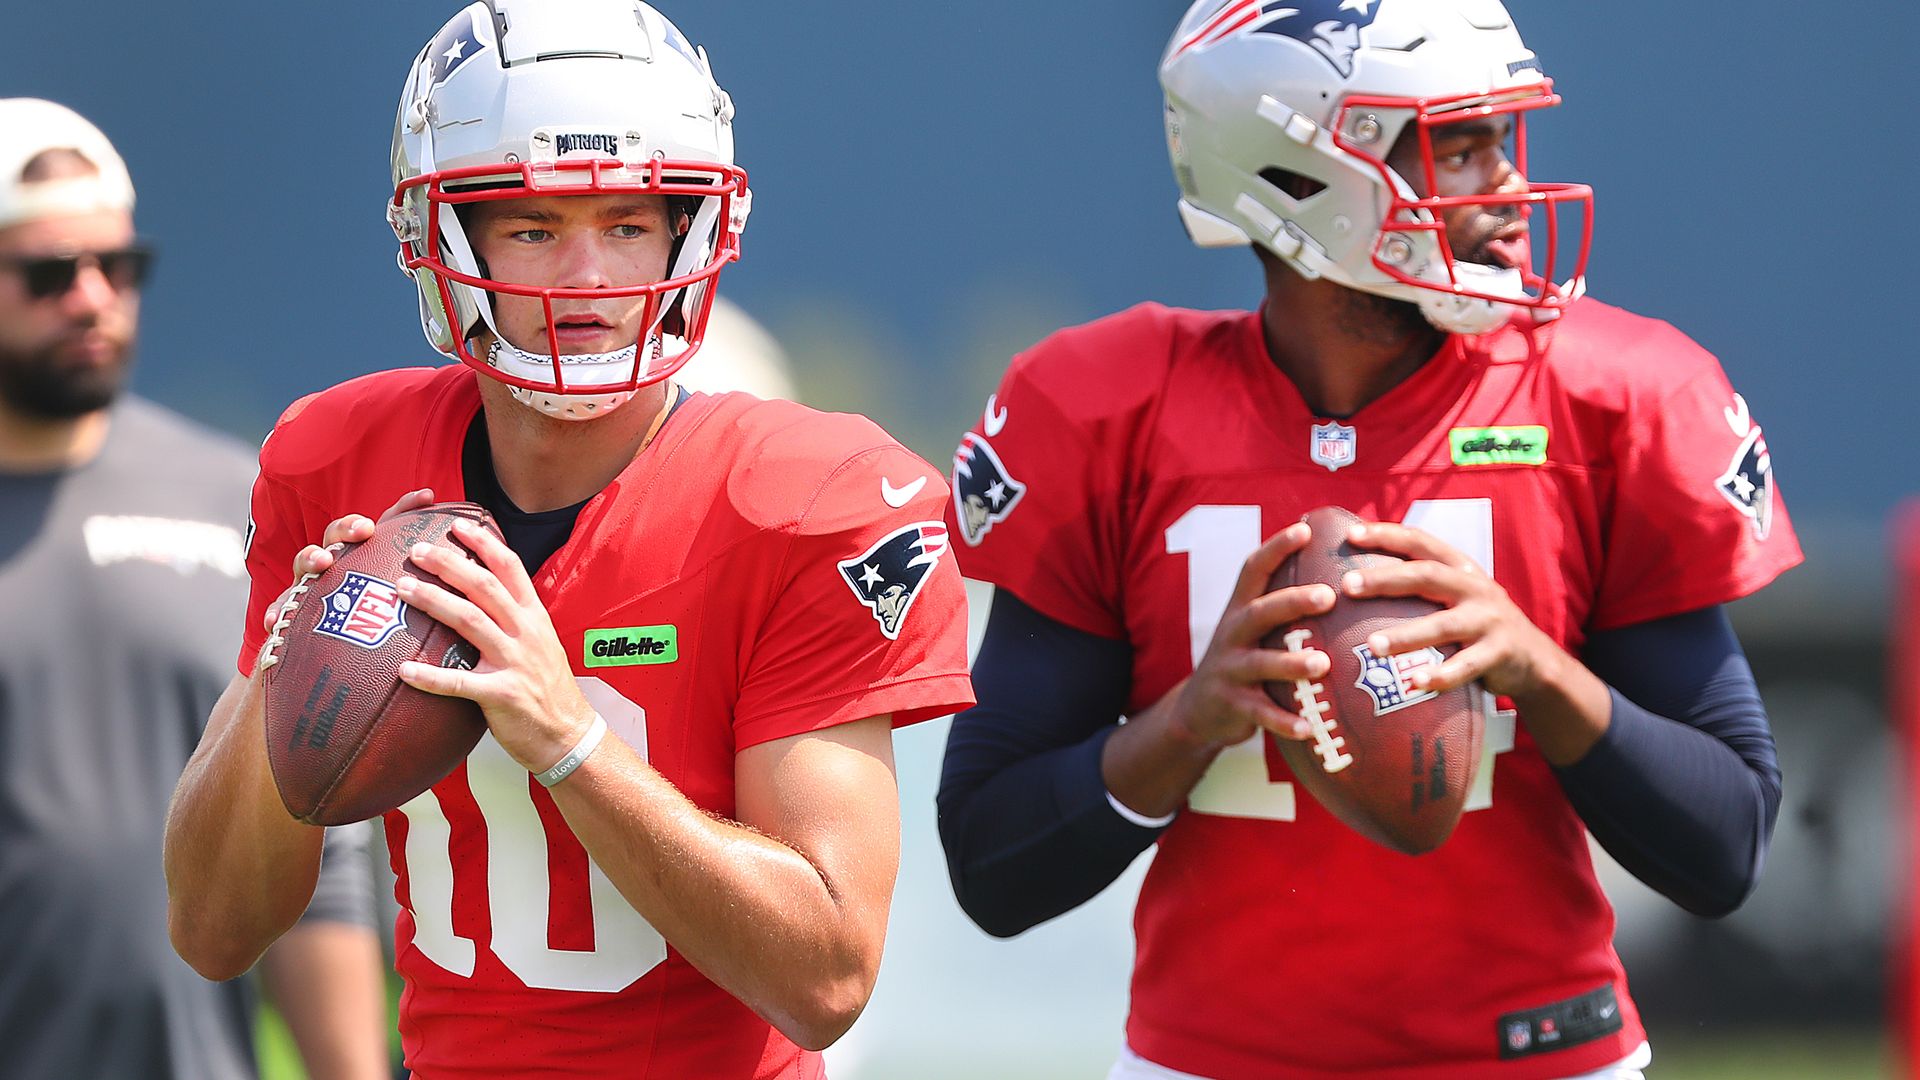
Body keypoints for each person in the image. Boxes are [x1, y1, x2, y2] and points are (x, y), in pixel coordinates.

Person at [936, 3, 1800, 1078]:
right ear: (1302, 173)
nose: (1507, 189)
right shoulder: (1107, 413)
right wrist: (1186, 722)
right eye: (1458, 146)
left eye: (1502, 140)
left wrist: (1537, 669)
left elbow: (1728, 850)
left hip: (1542, 1059)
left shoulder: (1611, 398)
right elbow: (991, 867)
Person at [161, 3, 973, 1077]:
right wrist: (283, 673)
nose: (589, 281)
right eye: (535, 228)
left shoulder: (803, 499)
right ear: (442, 238)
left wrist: (571, 741)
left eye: (630, 224)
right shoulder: (341, 462)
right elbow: (213, 931)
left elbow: (824, 976)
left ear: (692, 229)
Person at [0, 98, 390, 1079]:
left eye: (118, 268)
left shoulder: (234, 499)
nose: (93, 298)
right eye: (49, 274)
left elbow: (310, 818)